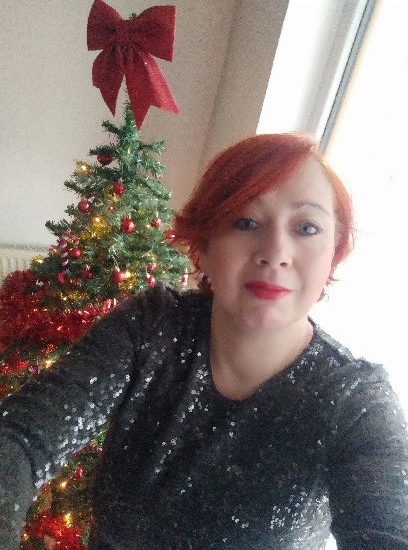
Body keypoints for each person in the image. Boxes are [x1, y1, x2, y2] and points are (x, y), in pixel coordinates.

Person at [1, 133, 407, 550]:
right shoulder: (150, 327)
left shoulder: (355, 402)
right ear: (205, 246)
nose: (275, 252)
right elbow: (19, 440)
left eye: (307, 228)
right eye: (246, 222)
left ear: (333, 253)